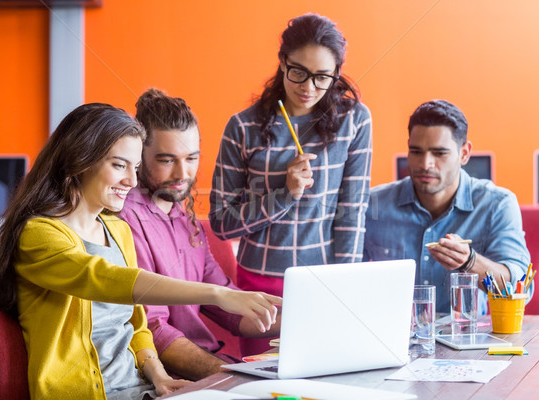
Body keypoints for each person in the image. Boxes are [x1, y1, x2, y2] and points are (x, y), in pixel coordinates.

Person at [0, 103, 281, 400]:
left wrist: (159, 376)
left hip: (140, 389)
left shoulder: (117, 230)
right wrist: (216, 294)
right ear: (79, 160)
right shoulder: (40, 233)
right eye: (119, 165)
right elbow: (105, 280)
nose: (132, 181)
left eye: (135, 167)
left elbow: (136, 325)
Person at [209, 13, 372, 355]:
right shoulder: (243, 127)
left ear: (336, 75)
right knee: (261, 384)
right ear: (282, 62)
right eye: (298, 72)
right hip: (260, 288)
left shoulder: (354, 120)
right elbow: (222, 223)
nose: (308, 87)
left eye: (322, 77)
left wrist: (345, 286)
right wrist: (284, 196)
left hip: (326, 282)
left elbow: (352, 213)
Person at [118, 88, 281, 381]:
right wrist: (228, 375)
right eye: (167, 160)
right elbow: (153, 329)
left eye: (191, 158)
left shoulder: (184, 217)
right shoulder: (127, 218)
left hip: (211, 364)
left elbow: (230, 307)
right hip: (165, 376)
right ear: (139, 157)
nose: (183, 172)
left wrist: (308, 321)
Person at [363, 99, 531, 315]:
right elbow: (344, 279)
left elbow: (521, 290)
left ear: (464, 153)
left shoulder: (497, 204)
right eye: (416, 152)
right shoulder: (372, 204)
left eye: (439, 153)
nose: (425, 164)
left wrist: (471, 262)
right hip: (391, 339)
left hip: (466, 342)